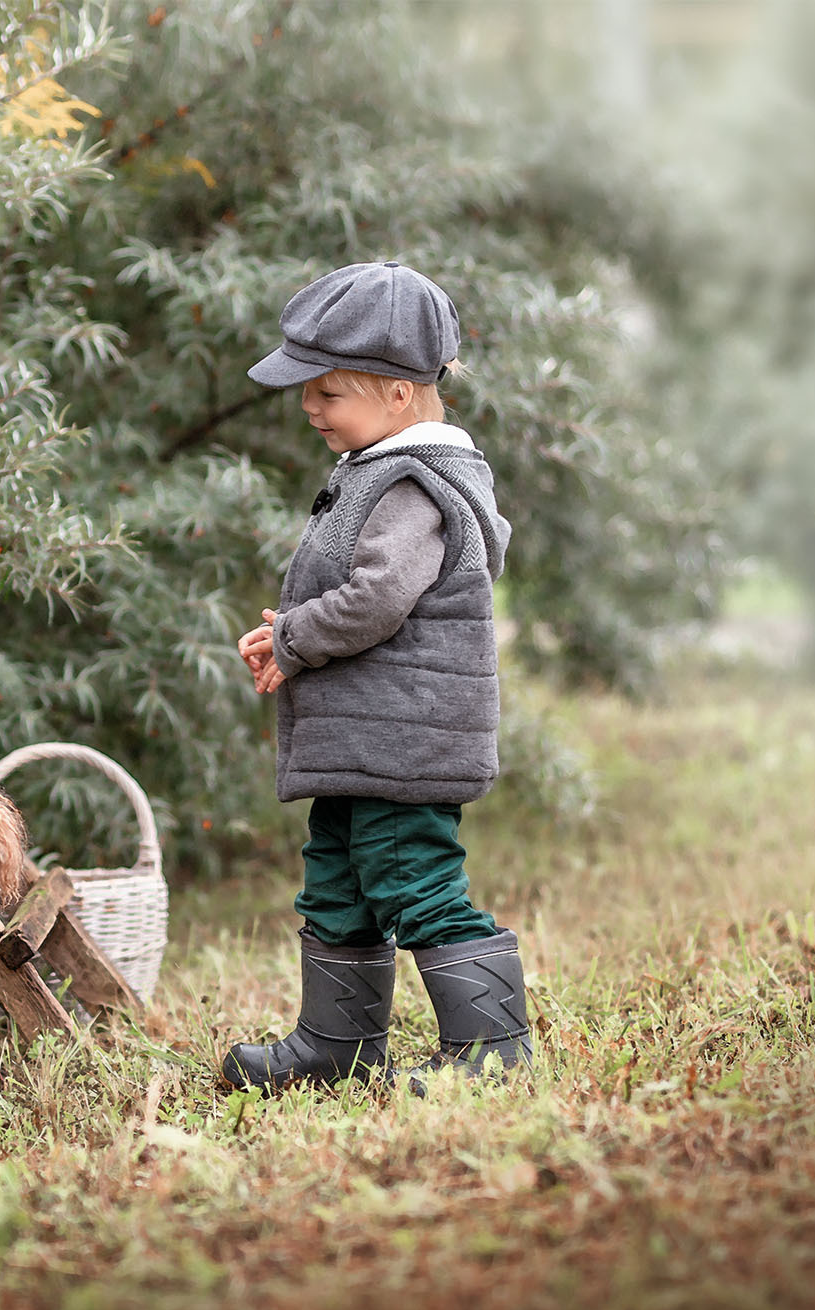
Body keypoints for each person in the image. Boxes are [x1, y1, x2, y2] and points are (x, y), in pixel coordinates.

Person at [221, 260, 533, 1095]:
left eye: (325, 391)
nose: (307, 407)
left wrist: (295, 638)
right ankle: (337, 1043)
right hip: (367, 742)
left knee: (415, 885)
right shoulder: (374, 466)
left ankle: (492, 1049)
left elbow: (377, 598)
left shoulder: (410, 483)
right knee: (338, 880)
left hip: (406, 745)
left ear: (398, 393)